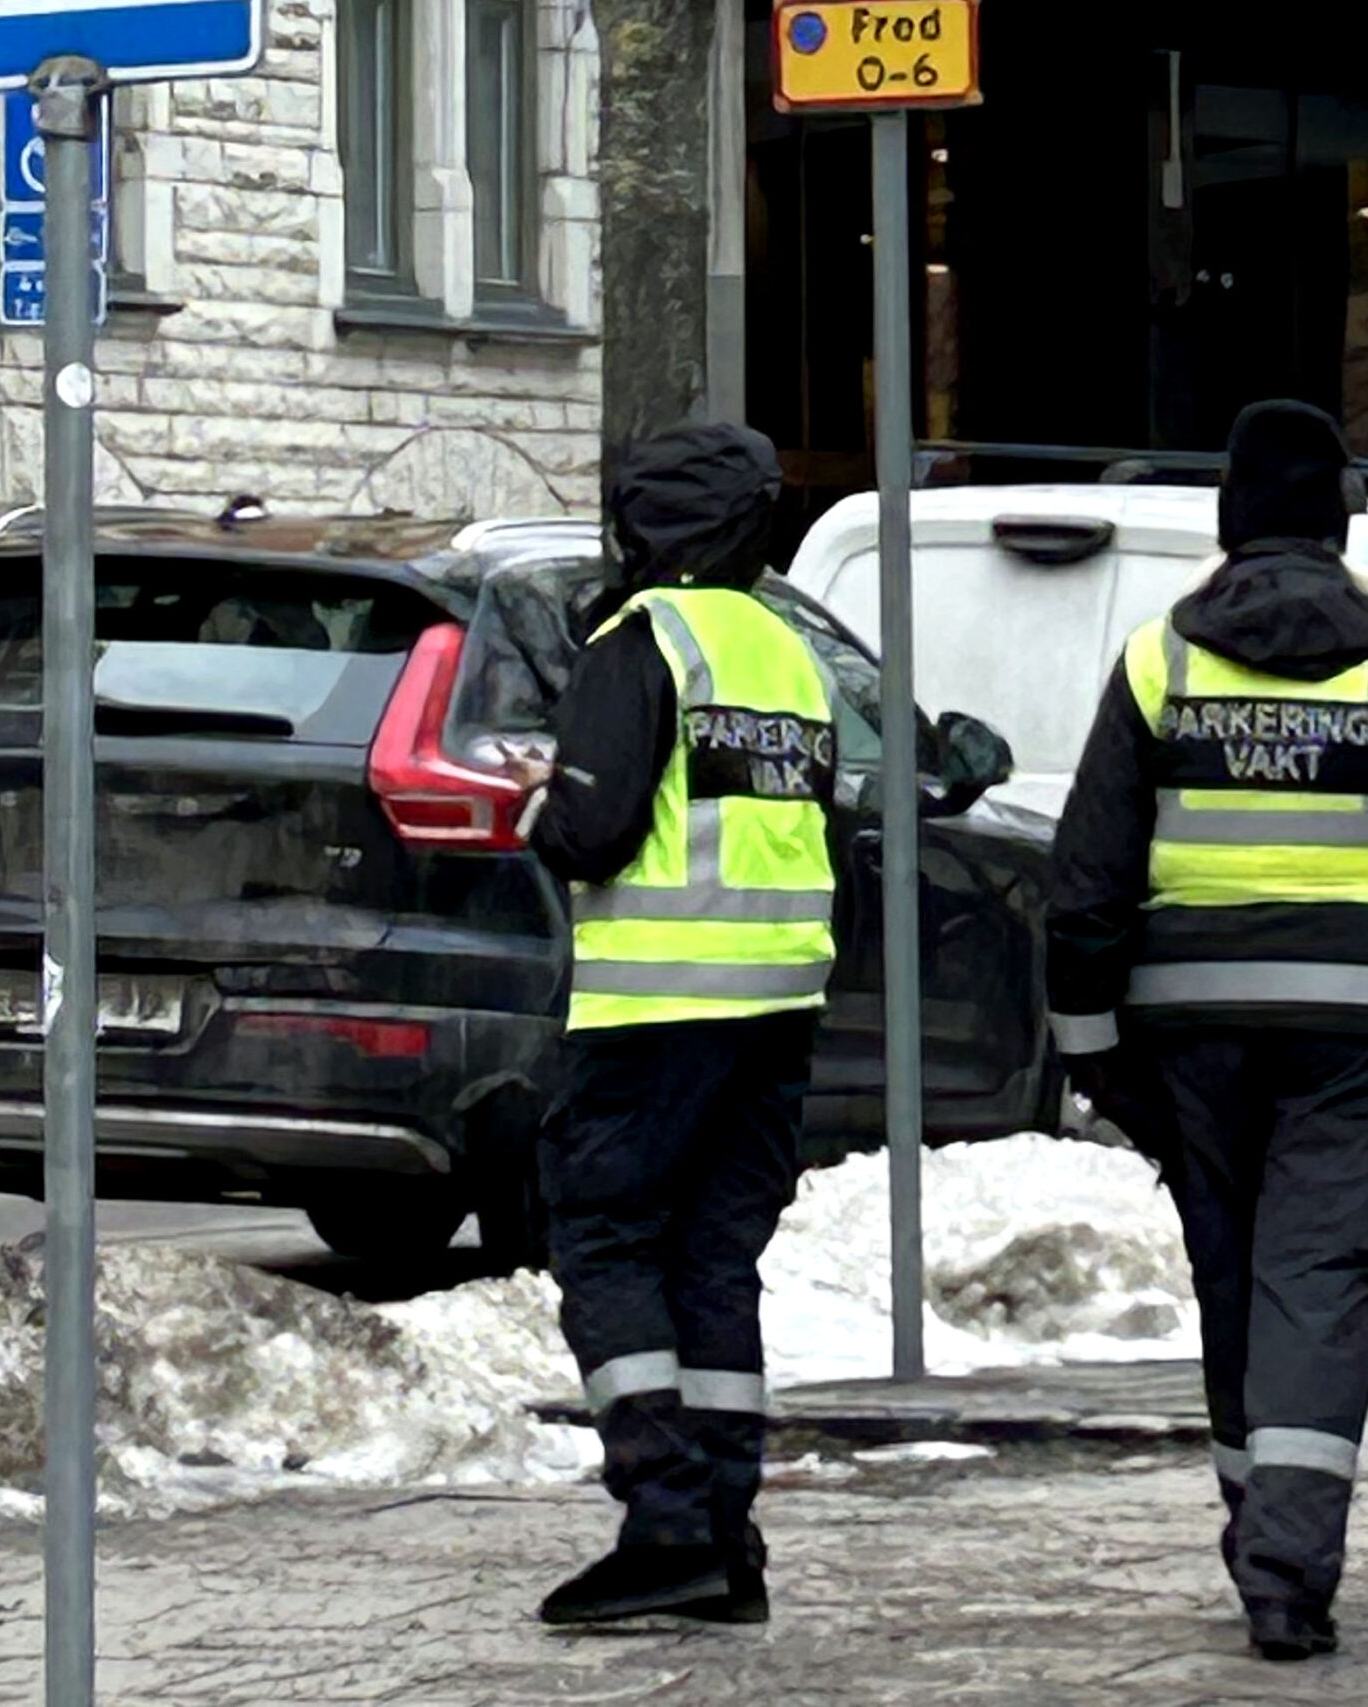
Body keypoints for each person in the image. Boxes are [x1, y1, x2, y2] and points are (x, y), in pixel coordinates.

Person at [1045, 399, 1368, 1661]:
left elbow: (1085, 882)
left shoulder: (1157, 661)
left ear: (1229, 523)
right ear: (1337, 525)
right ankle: (1286, 1568)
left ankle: (1264, 1525)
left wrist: (1092, 1051)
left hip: (1190, 1028)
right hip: (1361, 1031)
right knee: (1317, 1285)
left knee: (1233, 1276)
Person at [518, 420, 835, 1627]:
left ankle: (664, 1520)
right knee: (712, 1260)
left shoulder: (639, 640)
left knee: (604, 1241)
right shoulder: (781, 649)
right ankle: (722, 1530)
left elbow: (594, 834)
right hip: (773, 1007)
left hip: (651, 1006)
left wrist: (539, 807)